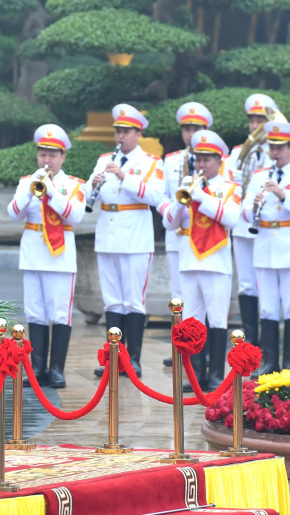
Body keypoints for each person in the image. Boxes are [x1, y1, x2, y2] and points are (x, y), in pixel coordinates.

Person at [86, 103, 165, 378]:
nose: (120, 136)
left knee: (133, 300)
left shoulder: (151, 162)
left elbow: (156, 197)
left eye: (125, 131)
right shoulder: (104, 158)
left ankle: (134, 359)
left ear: (137, 133)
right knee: (112, 301)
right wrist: (93, 184)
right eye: (118, 131)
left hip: (135, 237)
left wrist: (123, 176)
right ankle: (113, 358)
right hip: (107, 234)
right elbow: (87, 194)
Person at [160, 130, 241, 390]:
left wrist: (200, 196)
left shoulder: (229, 189)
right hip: (188, 260)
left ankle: (216, 372)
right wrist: (181, 200)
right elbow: (169, 224)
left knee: (217, 319)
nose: (202, 165)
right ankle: (194, 374)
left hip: (216, 262)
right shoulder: (187, 187)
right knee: (191, 320)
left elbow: (231, 218)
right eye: (199, 160)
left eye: (207, 160)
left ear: (220, 161)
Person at [8, 124, 85, 389]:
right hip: (33, 254)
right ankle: (38, 367)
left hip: (61, 256)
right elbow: (14, 213)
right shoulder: (26, 182)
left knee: (60, 313)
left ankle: (57, 369)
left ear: (63, 157)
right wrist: (30, 190)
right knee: (36, 312)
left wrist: (50, 190)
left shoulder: (73, 185)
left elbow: (75, 216)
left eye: (52, 154)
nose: (47, 159)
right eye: (42, 154)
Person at [243, 121, 290, 376]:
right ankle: (270, 362)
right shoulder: (258, 176)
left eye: (280, 147)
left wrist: (284, 196)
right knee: (268, 307)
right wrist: (252, 207)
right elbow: (242, 212)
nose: (275, 153)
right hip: (265, 246)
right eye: (272, 147)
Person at [161, 102, 213, 368]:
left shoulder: (215, 162)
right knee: (179, 295)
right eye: (187, 128)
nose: (191, 133)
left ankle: (200, 355)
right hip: (178, 235)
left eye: (197, 128)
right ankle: (181, 348)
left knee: (202, 297)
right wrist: (169, 213)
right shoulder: (171, 160)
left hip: (205, 237)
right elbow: (161, 196)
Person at [224, 93, 278, 347]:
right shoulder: (237, 152)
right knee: (246, 282)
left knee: (263, 282)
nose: (256, 125)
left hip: (267, 225)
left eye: (261, 120)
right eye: (253, 120)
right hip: (242, 222)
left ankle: (266, 341)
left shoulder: (276, 152)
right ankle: (249, 338)